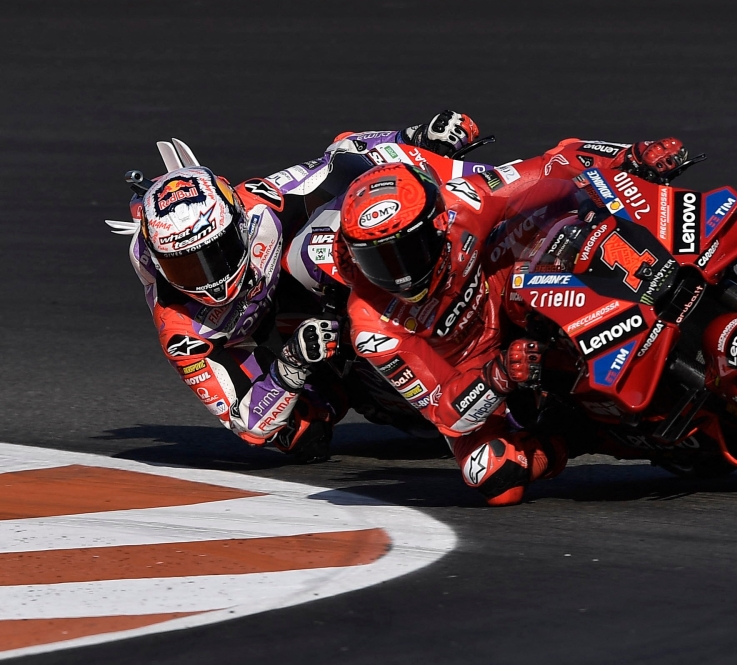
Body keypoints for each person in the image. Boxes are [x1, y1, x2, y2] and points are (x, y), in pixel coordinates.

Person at [333, 136, 688, 503]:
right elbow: (443, 413)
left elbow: (553, 164)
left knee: (567, 211)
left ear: (438, 224)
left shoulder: (465, 201)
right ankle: (580, 434)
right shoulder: (371, 326)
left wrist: (631, 156)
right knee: (495, 476)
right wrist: (497, 375)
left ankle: (664, 268)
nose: (399, 274)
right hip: (475, 371)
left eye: (406, 251)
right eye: (377, 260)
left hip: (504, 287)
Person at [125, 112, 480, 462]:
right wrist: (292, 364)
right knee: (299, 433)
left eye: (219, 252)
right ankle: (372, 385)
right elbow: (247, 424)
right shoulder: (180, 332)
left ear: (239, 222)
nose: (210, 279)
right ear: (158, 262)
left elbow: (343, 154)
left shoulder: (260, 201)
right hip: (275, 348)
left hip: (309, 292)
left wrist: (417, 138)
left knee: (333, 234)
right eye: (185, 266)